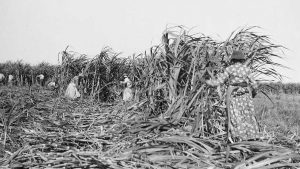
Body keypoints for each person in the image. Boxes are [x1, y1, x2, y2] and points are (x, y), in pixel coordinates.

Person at [206, 50, 260, 141]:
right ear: (242, 60)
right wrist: (254, 93)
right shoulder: (246, 69)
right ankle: (252, 135)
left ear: (233, 60)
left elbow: (219, 82)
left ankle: (239, 137)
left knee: (235, 115)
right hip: (246, 95)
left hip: (234, 95)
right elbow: (254, 84)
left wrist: (207, 82)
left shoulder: (229, 69)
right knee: (249, 114)